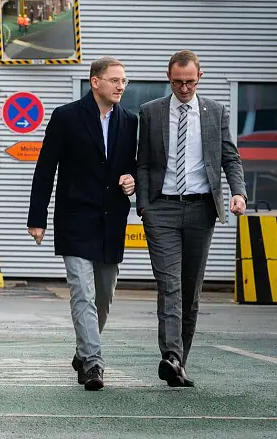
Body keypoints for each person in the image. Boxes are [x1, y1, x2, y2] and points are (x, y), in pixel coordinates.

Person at [27, 57, 138, 391]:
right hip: (75, 218)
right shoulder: (67, 117)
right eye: (114, 80)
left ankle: (82, 350)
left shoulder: (130, 121)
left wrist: (134, 181)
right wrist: (37, 218)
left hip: (111, 220)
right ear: (95, 82)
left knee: (103, 297)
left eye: (124, 81)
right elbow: (45, 168)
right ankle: (93, 363)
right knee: (83, 294)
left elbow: (136, 166)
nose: (120, 86)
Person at [136, 49, 246, 387]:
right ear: (168, 79)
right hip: (162, 208)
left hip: (201, 209)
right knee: (170, 284)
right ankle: (170, 353)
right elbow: (141, 161)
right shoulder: (150, 112)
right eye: (177, 82)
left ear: (200, 78)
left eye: (189, 82)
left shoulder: (215, 112)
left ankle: (179, 361)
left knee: (191, 289)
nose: (183, 88)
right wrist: (144, 205)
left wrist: (238, 192)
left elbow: (230, 156)